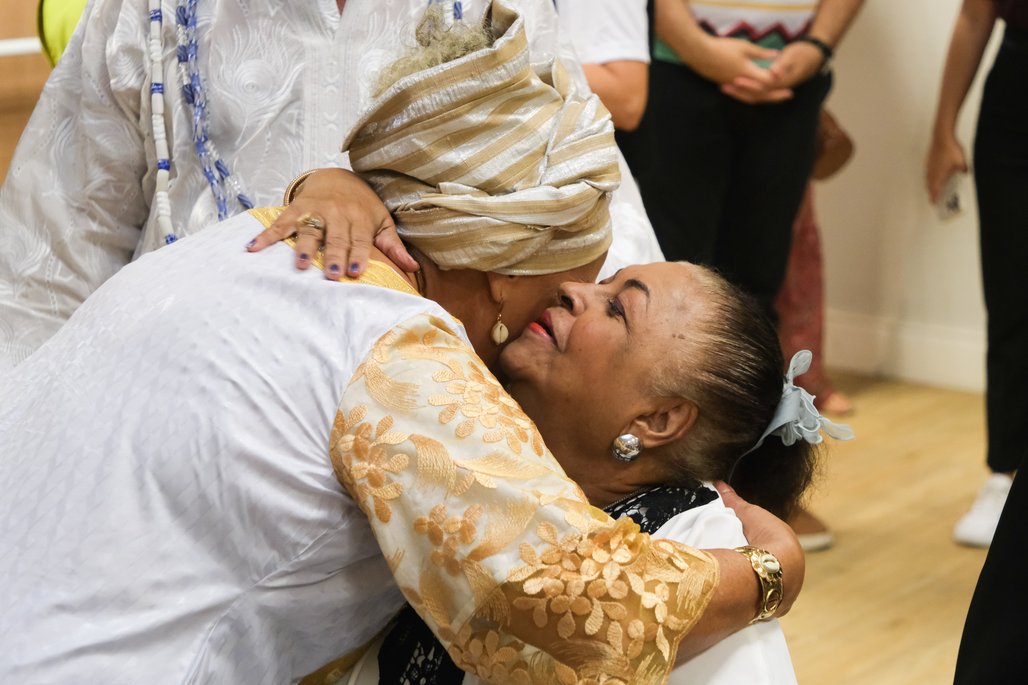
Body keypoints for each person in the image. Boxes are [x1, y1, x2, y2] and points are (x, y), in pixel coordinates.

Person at [0, 6, 803, 683]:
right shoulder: (399, 350)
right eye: (578, 278)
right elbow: (590, 613)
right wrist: (773, 571)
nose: (569, 299)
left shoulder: (260, 238)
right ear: (500, 275)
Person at [0, 0, 661, 376]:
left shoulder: (493, 10)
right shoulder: (151, 11)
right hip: (185, 421)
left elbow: (593, 220)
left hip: (437, 456)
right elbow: (50, 263)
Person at [330, 266, 853, 685]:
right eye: (604, 283)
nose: (572, 289)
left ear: (657, 420)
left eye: (618, 308)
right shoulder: (480, 438)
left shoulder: (698, 546)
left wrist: (765, 573)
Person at [926, 0, 1027, 549]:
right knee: (1013, 295)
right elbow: (974, 14)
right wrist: (944, 130)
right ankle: (1005, 473)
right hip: (1016, 91)